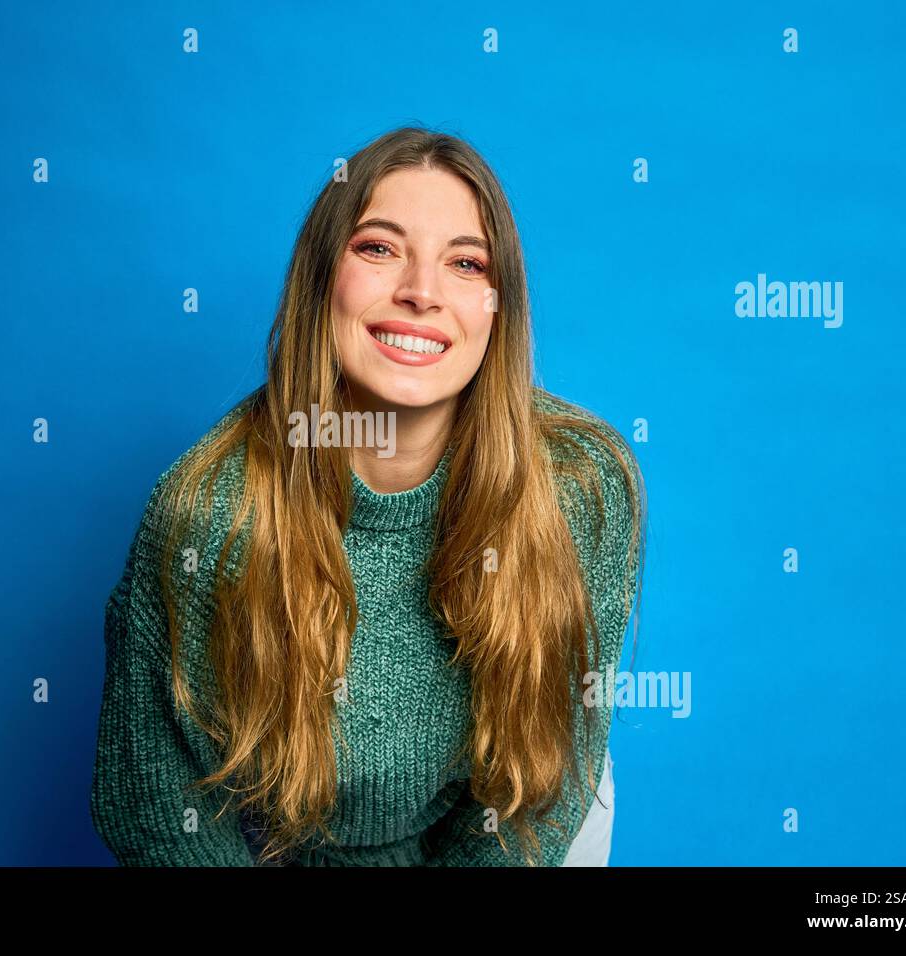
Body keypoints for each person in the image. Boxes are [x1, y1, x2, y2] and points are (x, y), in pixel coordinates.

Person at [91, 125, 644, 866]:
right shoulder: (208, 509)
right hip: (280, 843)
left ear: (497, 307)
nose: (420, 292)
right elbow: (158, 805)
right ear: (322, 279)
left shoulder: (581, 482)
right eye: (378, 248)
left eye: (466, 263)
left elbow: (543, 779)